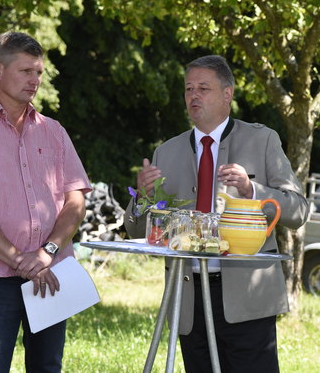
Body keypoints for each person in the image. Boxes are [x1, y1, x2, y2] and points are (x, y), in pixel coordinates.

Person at [124, 55, 309, 373]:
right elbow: (136, 231)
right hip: (189, 297)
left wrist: (253, 191)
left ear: (228, 93)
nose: (193, 96)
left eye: (203, 88)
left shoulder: (262, 140)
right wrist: (141, 197)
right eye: (188, 89)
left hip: (247, 298)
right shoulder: (165, 152)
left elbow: (298, 210)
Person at [0, 31, 92, 372]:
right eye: (26, 71)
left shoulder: (54, 131)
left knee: (47, 367)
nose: (35, 80)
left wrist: (46, 253)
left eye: (39, 72)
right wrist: (20, 260)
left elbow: (74, 201)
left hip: (52, 273)